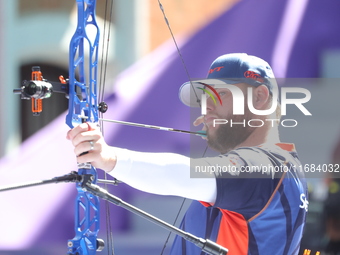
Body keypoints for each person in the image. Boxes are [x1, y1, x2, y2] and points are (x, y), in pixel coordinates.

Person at [67, 53, 308, 255]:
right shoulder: (280, 167)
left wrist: (108, 158)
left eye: (220, 94)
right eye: (205, 98)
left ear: (259, 97)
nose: (206, 107)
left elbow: (183, 174)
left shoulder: (266, 168)